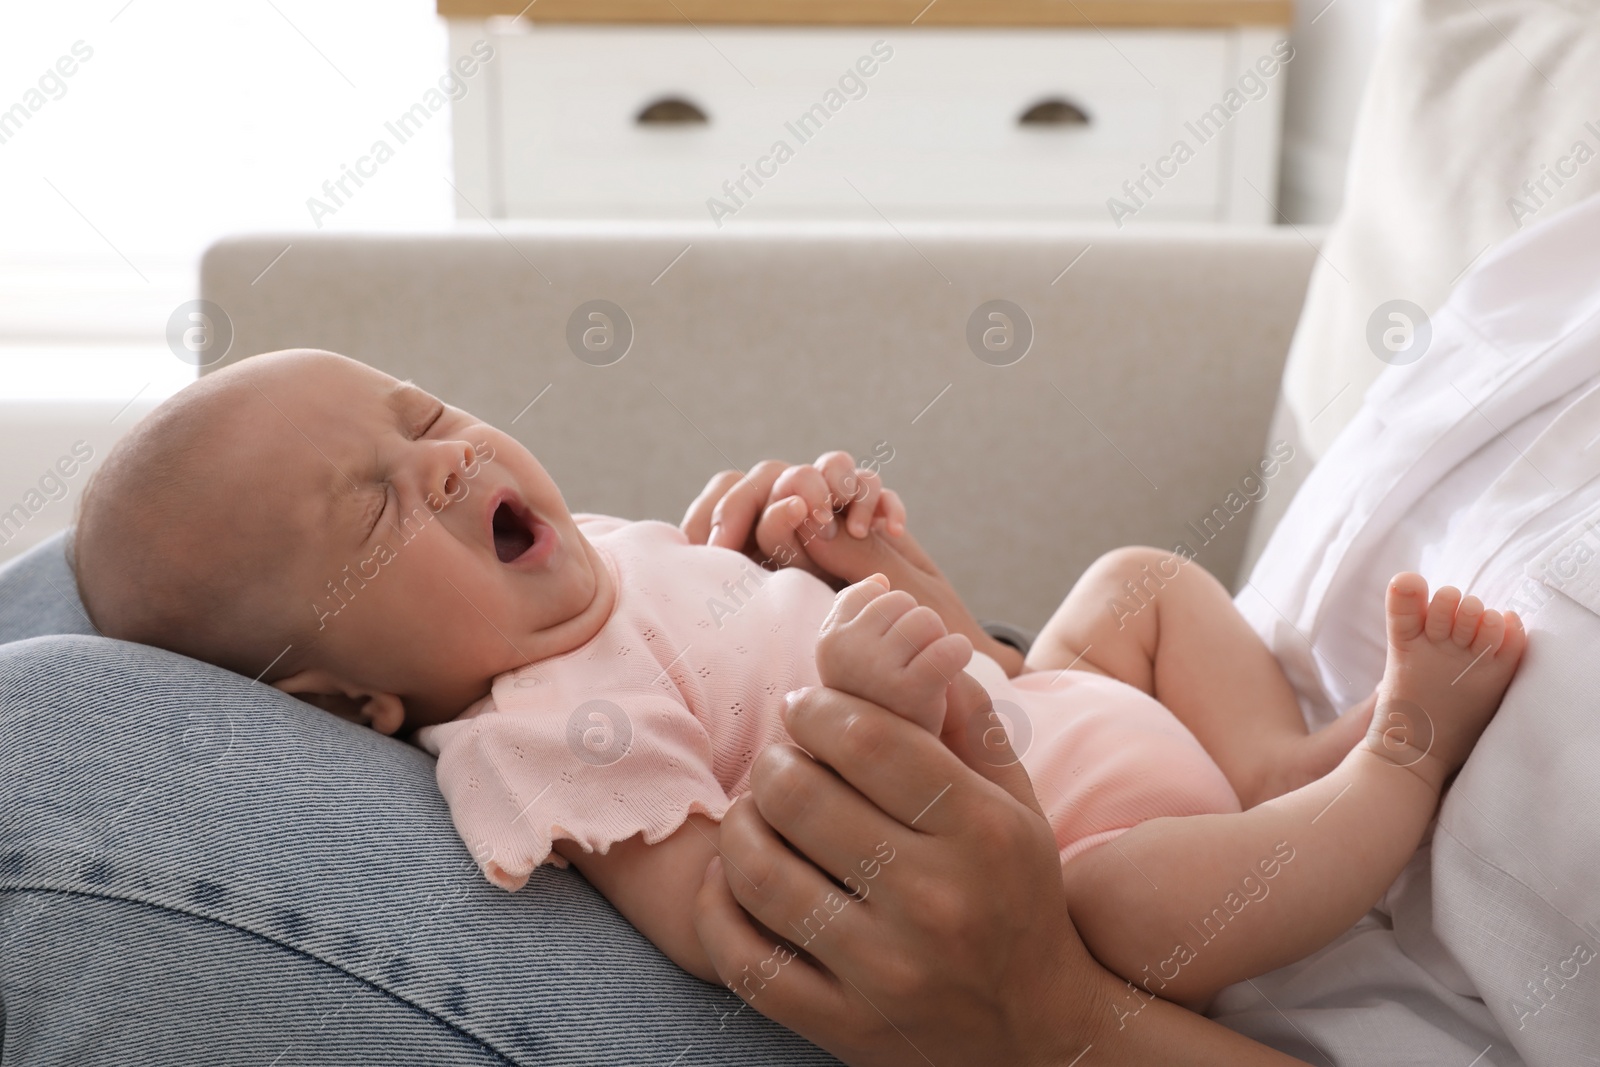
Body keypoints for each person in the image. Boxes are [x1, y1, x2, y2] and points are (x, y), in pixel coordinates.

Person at [71, 348, 1521, 1034]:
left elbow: (991, 682)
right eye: (373, 511)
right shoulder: (540, 739)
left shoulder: (611, 561)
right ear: (349, 708)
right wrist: (863, 688)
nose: (446, 462)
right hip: (1074, 871)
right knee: (1141, 906)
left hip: (1046, 726)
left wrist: (875, 574)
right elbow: (737, 921)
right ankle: (1395, 764)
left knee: (1137, 586)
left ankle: (1279, 765)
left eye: (428, 414)